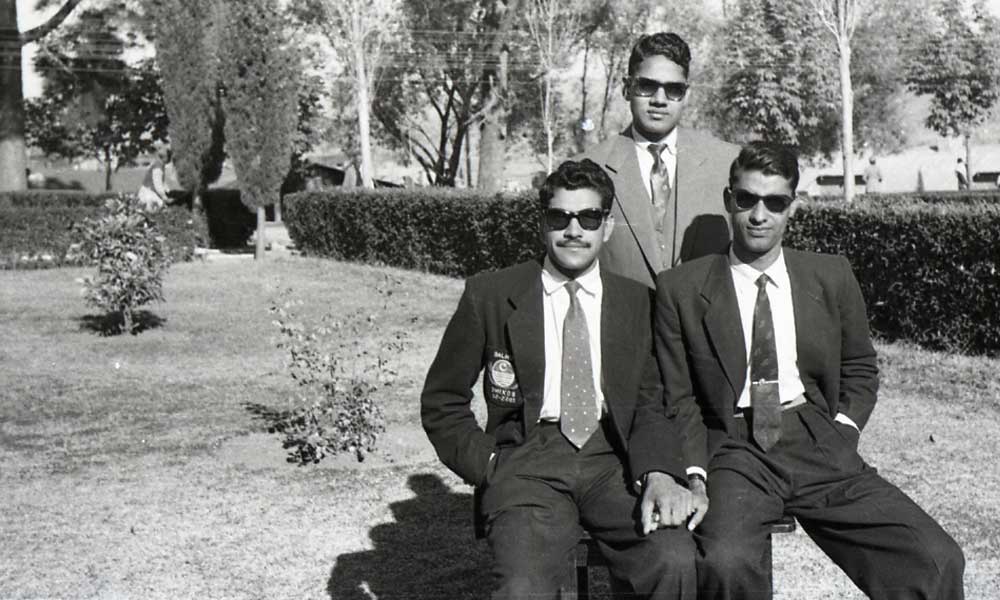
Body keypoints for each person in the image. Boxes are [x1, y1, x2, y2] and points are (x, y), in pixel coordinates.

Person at [654, 142, 965, 599]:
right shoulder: (682, 289)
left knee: (936, 558)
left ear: (793, 207)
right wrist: (696, 474)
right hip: (735, 449)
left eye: (775, 202)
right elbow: (678, 396)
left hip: (815, 436)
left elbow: (860, 367)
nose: (759, 215)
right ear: (728, 200)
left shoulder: (829, 276)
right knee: (726, 562)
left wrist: (842, 429)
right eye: (747, 199)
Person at [422, 159, 706, 600]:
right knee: (522, 588)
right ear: (542, 224)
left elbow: (650, 402)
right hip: (528, 461)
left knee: (672, 559)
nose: (574, 230)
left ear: (607, 227)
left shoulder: (638, 303)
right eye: (560, 217)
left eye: (589, 218)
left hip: (614, 458)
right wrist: (490, 465)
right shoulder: (491, 295)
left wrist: (658, 473)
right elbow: (442, 400)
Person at [575, 32, 739, 288]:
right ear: (627, 88)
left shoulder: (728, 163)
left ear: (687, 95)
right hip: (625, 313)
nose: (659, 100)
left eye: (674, 89)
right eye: (647, 86)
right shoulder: (587, 167)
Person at [137, 146, 173, 211]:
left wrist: (167, 190)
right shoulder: (158, 167)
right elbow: (158, 184)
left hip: (149, 191)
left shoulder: (158, 164)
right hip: (148, 193)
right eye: (169, 157)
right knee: (162, 208)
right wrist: (164, 197)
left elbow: (162, 182)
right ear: (165, 158)